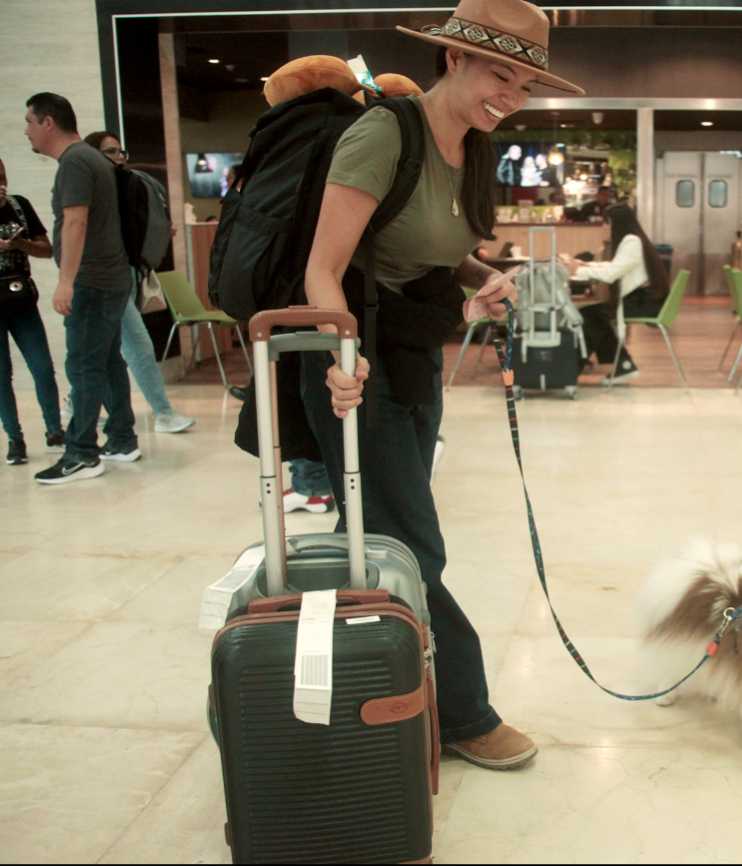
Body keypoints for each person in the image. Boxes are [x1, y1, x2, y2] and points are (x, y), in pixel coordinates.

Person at [303, 0, 582, 772]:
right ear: (453, 58)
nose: (512, 95)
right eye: (502, 73)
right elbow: (324, 266)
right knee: (409, 543)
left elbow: (430, 240)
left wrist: (483, 274)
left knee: (374, 535)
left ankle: (332, 691)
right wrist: (340, 359)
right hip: (354, 364)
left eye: (526, 83)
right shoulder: (383, 133)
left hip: (415, 354)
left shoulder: (473, 146)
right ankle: (463, 712)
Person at [24, 93, 139, 484]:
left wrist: (65, 283)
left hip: (92, 279)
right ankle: (122, 438)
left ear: (48, 123)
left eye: (30, 122)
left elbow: (75, 222)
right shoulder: (90, 159)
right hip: (110, 276)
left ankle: (82, 453)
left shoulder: (74, 161)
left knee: (84, 365)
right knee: (106, 361)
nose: (27, 131)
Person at [84, 131, 196, 434]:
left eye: (121, 151)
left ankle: (76, 405)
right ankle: (161, 412)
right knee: (136, 345)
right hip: (110, 278)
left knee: (104, 347)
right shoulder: (95, 187)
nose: (119, 157)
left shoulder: (125, 185)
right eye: (111, 151)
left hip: (128, 273)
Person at [0, 151, 64, 466]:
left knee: (43, 368)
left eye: (2, 177)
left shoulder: (19, 206)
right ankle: (14, 438)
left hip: (21, 302)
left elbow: (48, 250)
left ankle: (54, 431)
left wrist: (21, 245)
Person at [571, 203, 669, 384]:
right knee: (597, 314)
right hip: (644, 299)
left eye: (606, 223)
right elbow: (615, 267)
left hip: (645, 303)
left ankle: (572, 369)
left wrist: (578, 271)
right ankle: (623, 365)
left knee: (592, 314)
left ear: (616, 223)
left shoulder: (632, 242)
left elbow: (610, 275)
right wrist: (586, 266)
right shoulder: (633, 240)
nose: (603, 227)